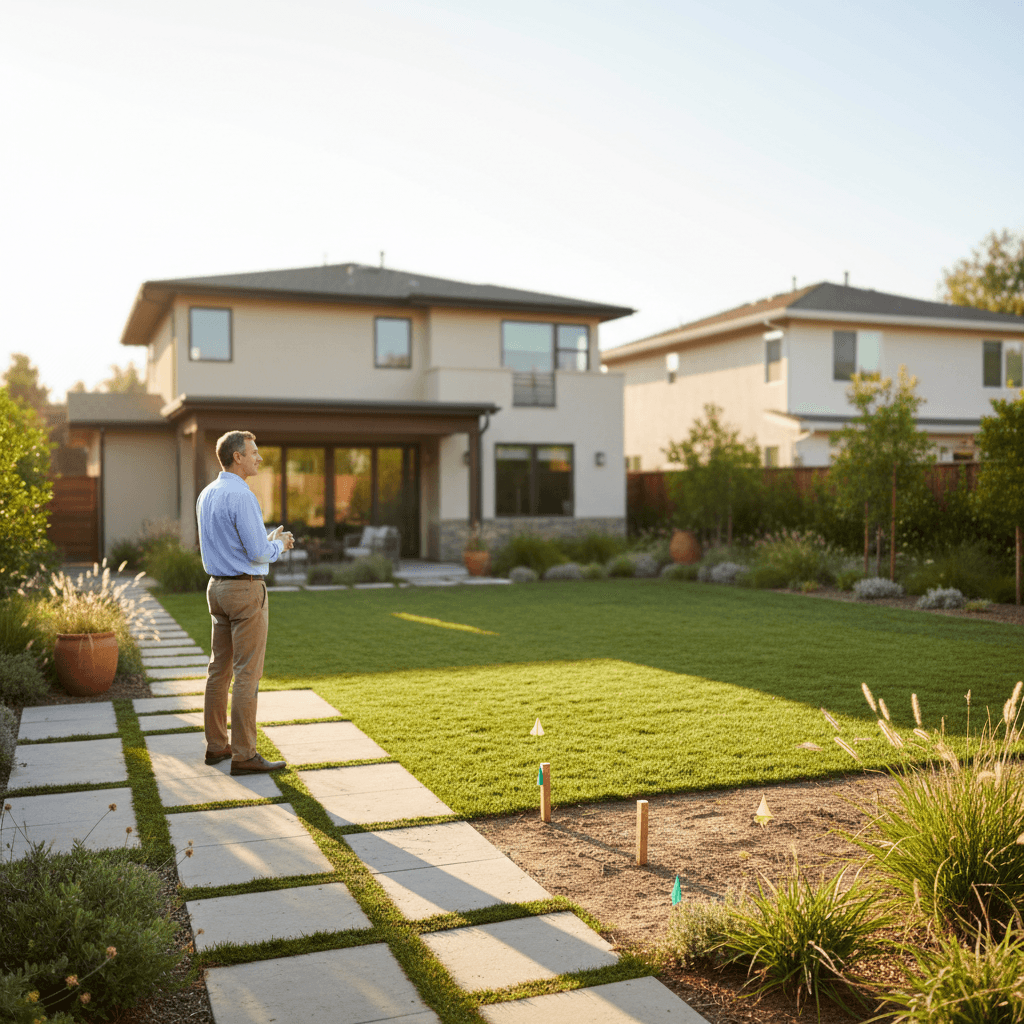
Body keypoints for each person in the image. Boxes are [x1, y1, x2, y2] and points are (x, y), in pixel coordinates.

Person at [196, 430, 294, 775]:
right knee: (247, 674)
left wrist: (266, 542)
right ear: (237, 456)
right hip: (244, 592)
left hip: (217, 589)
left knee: (217, 672)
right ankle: (244, 755)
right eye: (253, 452)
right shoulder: (243, 496)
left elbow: (236, 546)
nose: (259, 458)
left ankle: (216, 746)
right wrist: (279, 544)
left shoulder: (207, 494)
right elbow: (256, 552)